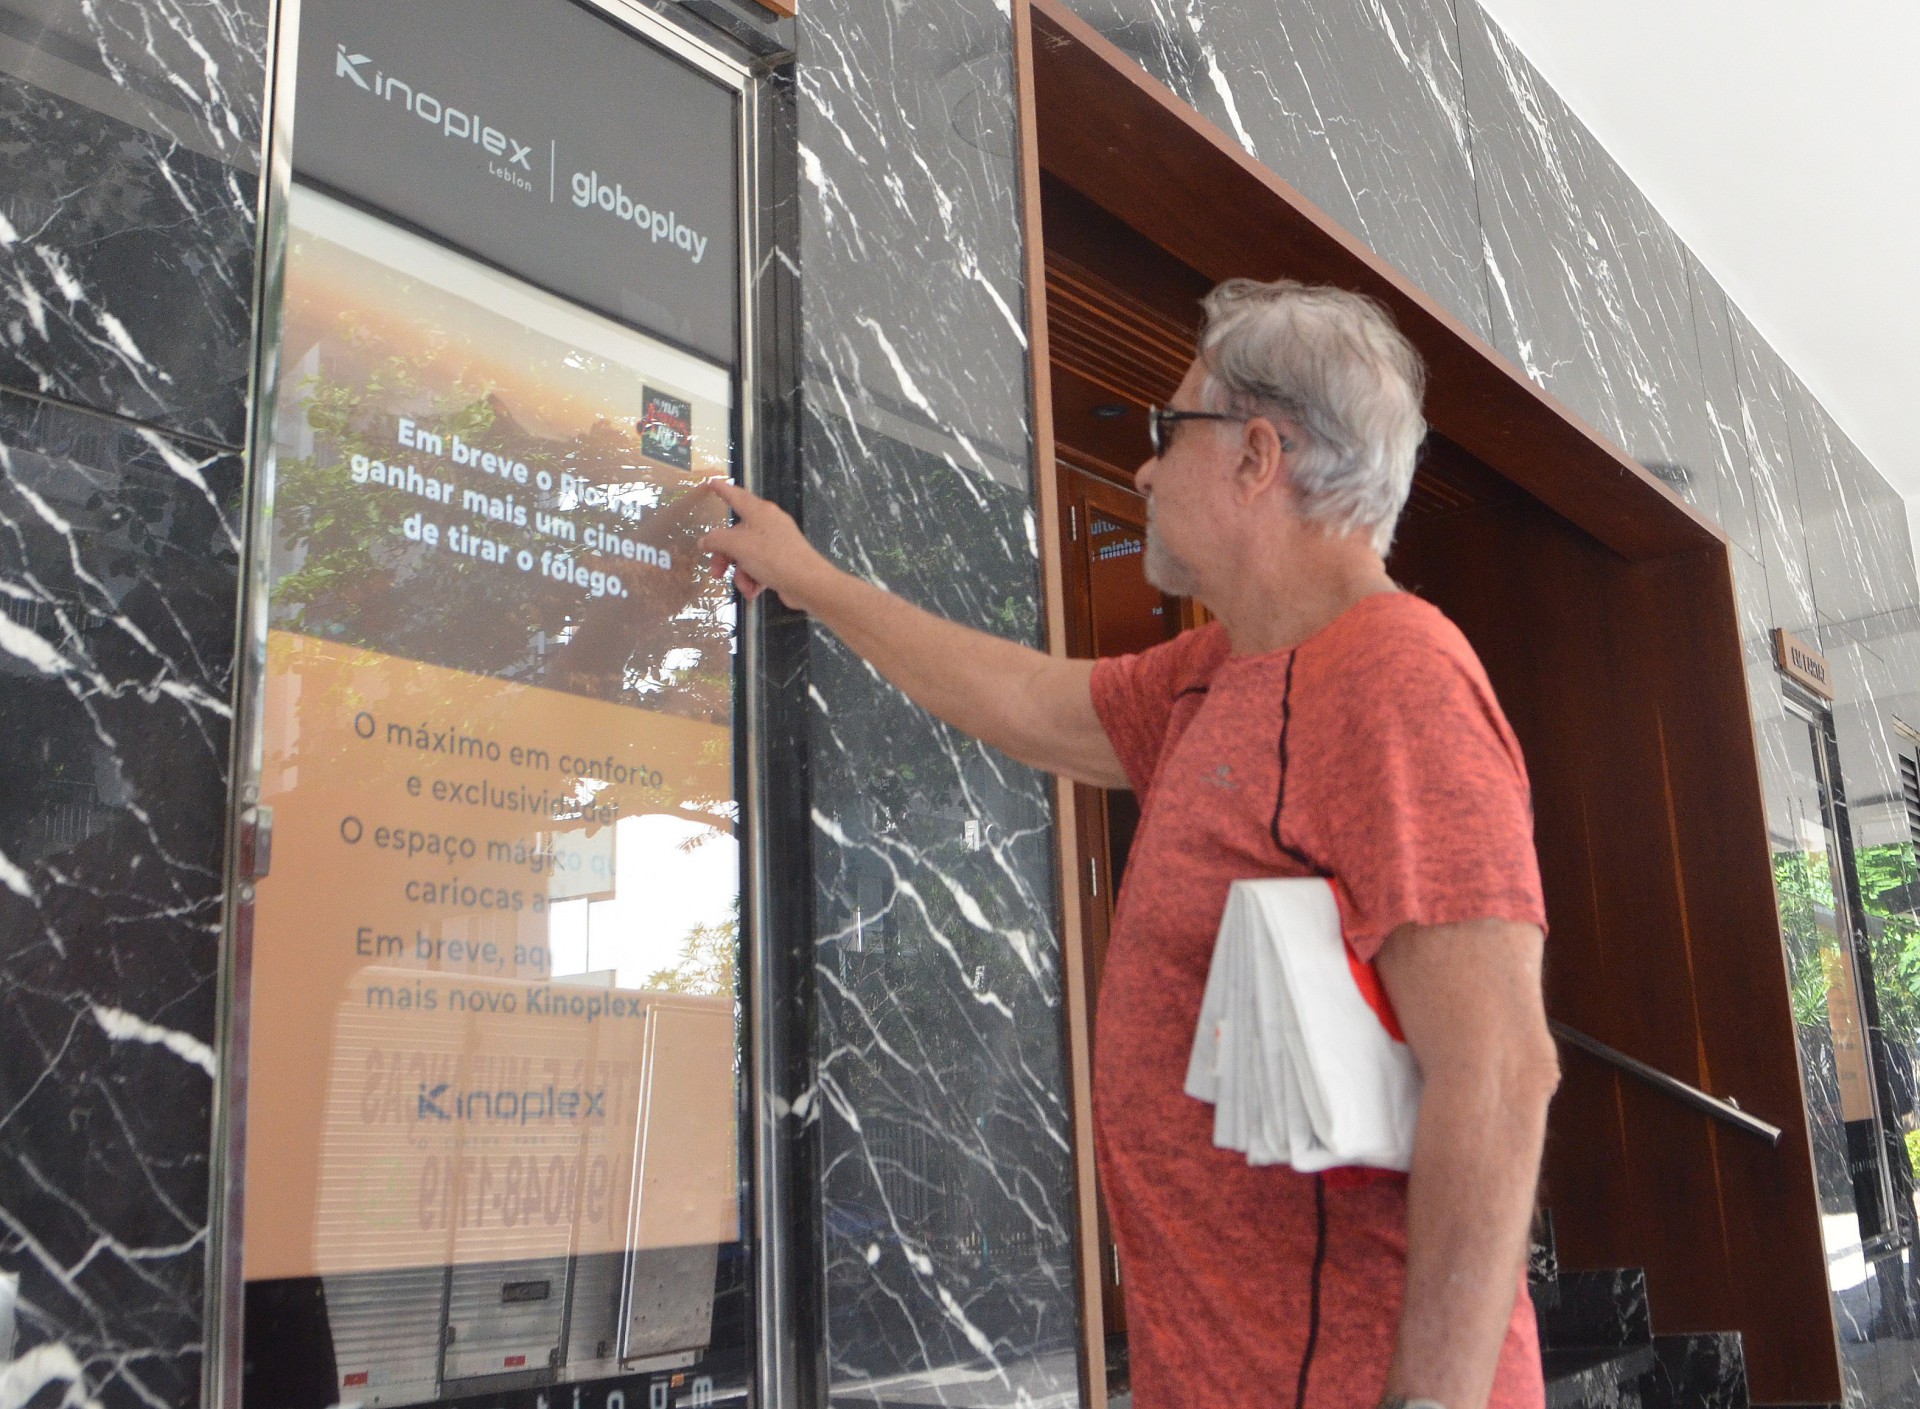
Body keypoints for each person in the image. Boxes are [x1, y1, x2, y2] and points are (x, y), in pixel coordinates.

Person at [699, 277, 1559, 1409]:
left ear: (1259, 456)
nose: (1145, 469)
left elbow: (1499, 1072)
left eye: (1169, 433)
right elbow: (1022, 698)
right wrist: (810, 579)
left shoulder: (1399, 674)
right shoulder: (1216, 675)